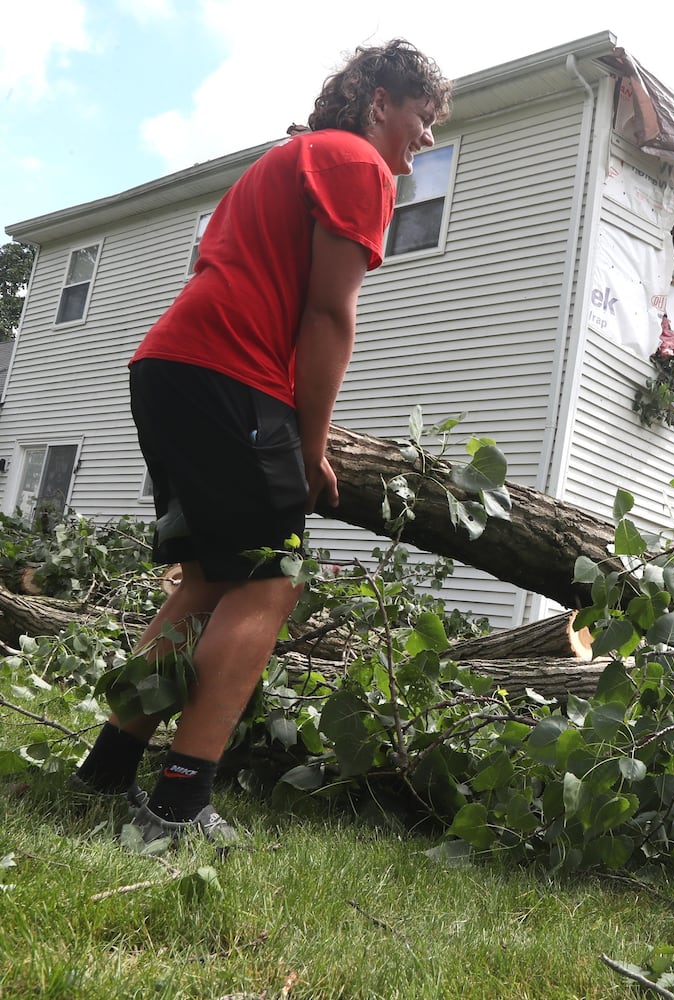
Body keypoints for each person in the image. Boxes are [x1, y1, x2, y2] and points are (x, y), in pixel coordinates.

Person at [69, 39, 451, 842]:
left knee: (209, 580)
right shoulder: (356, 162)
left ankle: (106, 769)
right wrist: (308, 448)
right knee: (271, 582)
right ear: (380, 101)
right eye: (421, 118)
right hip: (228, 376)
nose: (424, 139)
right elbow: (327, 316)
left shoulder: (295, 158)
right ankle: (176, 805)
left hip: (170, 368)